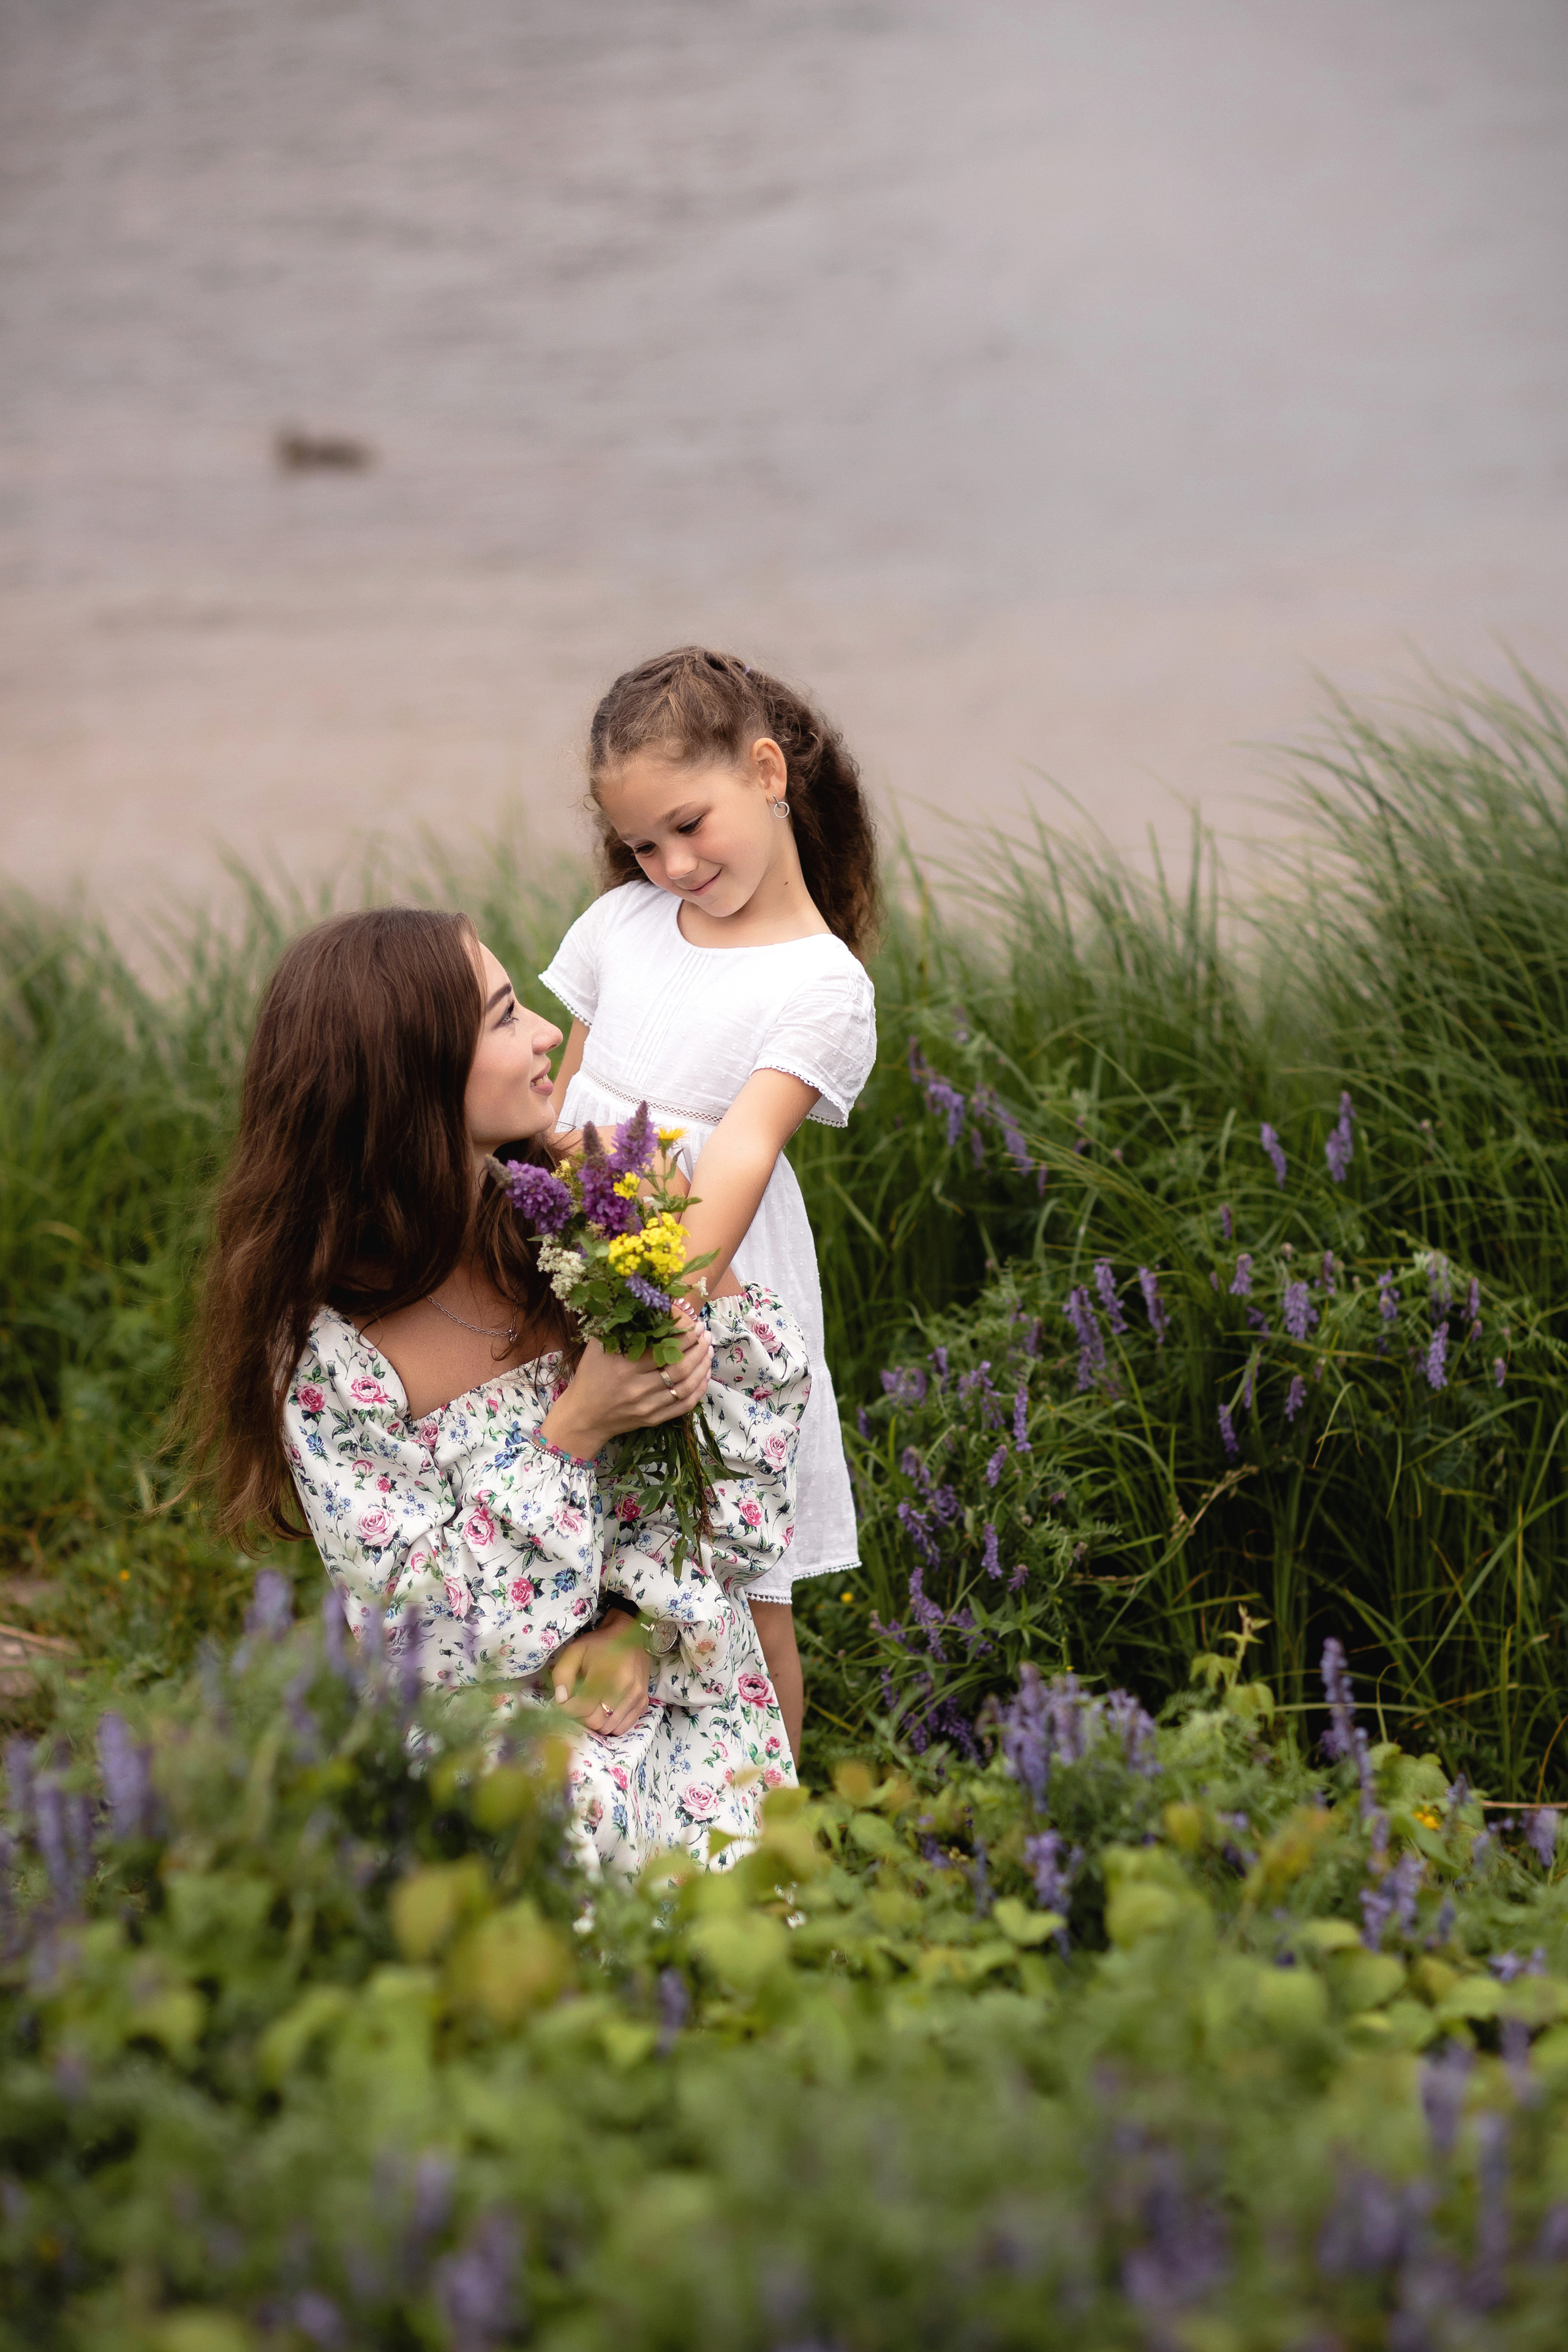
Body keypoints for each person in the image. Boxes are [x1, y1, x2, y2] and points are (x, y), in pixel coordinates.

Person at [190, 905, 810, 1874]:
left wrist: (639, 1626)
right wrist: (574, 1431)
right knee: (549, 1854)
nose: (550, 1037)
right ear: (410, 1078)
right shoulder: (331, 1357)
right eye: (507, 1015)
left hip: (665, 1669)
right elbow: (419, 1637)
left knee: (731, 1920)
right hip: (478, 1732)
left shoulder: (601, 1211)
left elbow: (755, 1440)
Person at [543, 647, 880, 1760]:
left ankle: (776, 1841)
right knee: (596, 1553)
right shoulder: (618, 928)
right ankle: (633, 1811)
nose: (672, 864)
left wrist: (636, 1305)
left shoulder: (820, 984)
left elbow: (733, 1168)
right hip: (571, 1260)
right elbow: (551, 1118)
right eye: (644, 843)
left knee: (740, 1586)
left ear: (768, 772)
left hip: (712, 1291)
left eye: (690, 825)